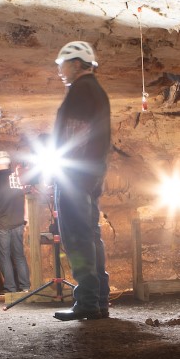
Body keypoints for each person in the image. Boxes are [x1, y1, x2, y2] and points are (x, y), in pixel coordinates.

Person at [51, 41, 112, 322]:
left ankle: (87, 302)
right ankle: (98, 300)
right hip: (91, 173)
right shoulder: (97, 92)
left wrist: (61, 171)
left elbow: (73, 134)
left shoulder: (80, 91)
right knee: (92, 235)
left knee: (77, 237)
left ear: (77, 64)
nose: (60, 70)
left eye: (62, 64)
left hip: (75, 175)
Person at [0, 150, 30, 294]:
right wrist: (26, 218)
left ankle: (10, 288)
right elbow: (26, 199)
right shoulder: (17, 178)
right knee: (19, 255)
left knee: (4, 256)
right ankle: (25, 287)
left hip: (1, 223)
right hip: (18, 221)